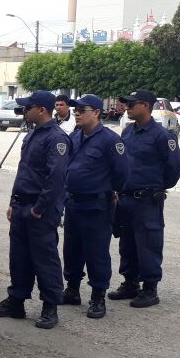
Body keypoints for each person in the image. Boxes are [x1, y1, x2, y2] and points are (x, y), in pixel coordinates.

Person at [0, 90, 71, 329]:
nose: (24, 111)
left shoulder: (56, 138)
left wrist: (40, 207)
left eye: (28, 107)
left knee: (44, 258)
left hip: (40, 208)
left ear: (42, 110)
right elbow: (25, 172)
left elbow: (55, 178)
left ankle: (50, 306)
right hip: (23, 204)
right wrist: (14, 202)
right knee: (20, 256)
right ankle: (17, 301)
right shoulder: (32, 134)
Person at [109, 89, 180, 308]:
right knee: (127, 242)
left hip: (147, 200)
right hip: (126, 198)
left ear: (145, 106)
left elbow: (175, 166)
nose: (127, 108)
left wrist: (158, 187)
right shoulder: (127, 132)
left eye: (131, 104)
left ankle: (150, 288)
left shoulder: (162, 135)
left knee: (148, 243)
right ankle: (130, 283)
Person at [61, 94, 130, 319]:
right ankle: (72, 290)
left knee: (96, 252)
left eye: (82, 110)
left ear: (97, 113)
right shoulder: (75, 136)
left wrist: (109, 192)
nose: (77, 113)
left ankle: (98, 296)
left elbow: (122, 173)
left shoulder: (110, 140)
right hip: (73, 203)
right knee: (72, 249)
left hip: (97, 205)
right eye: (75, 110)